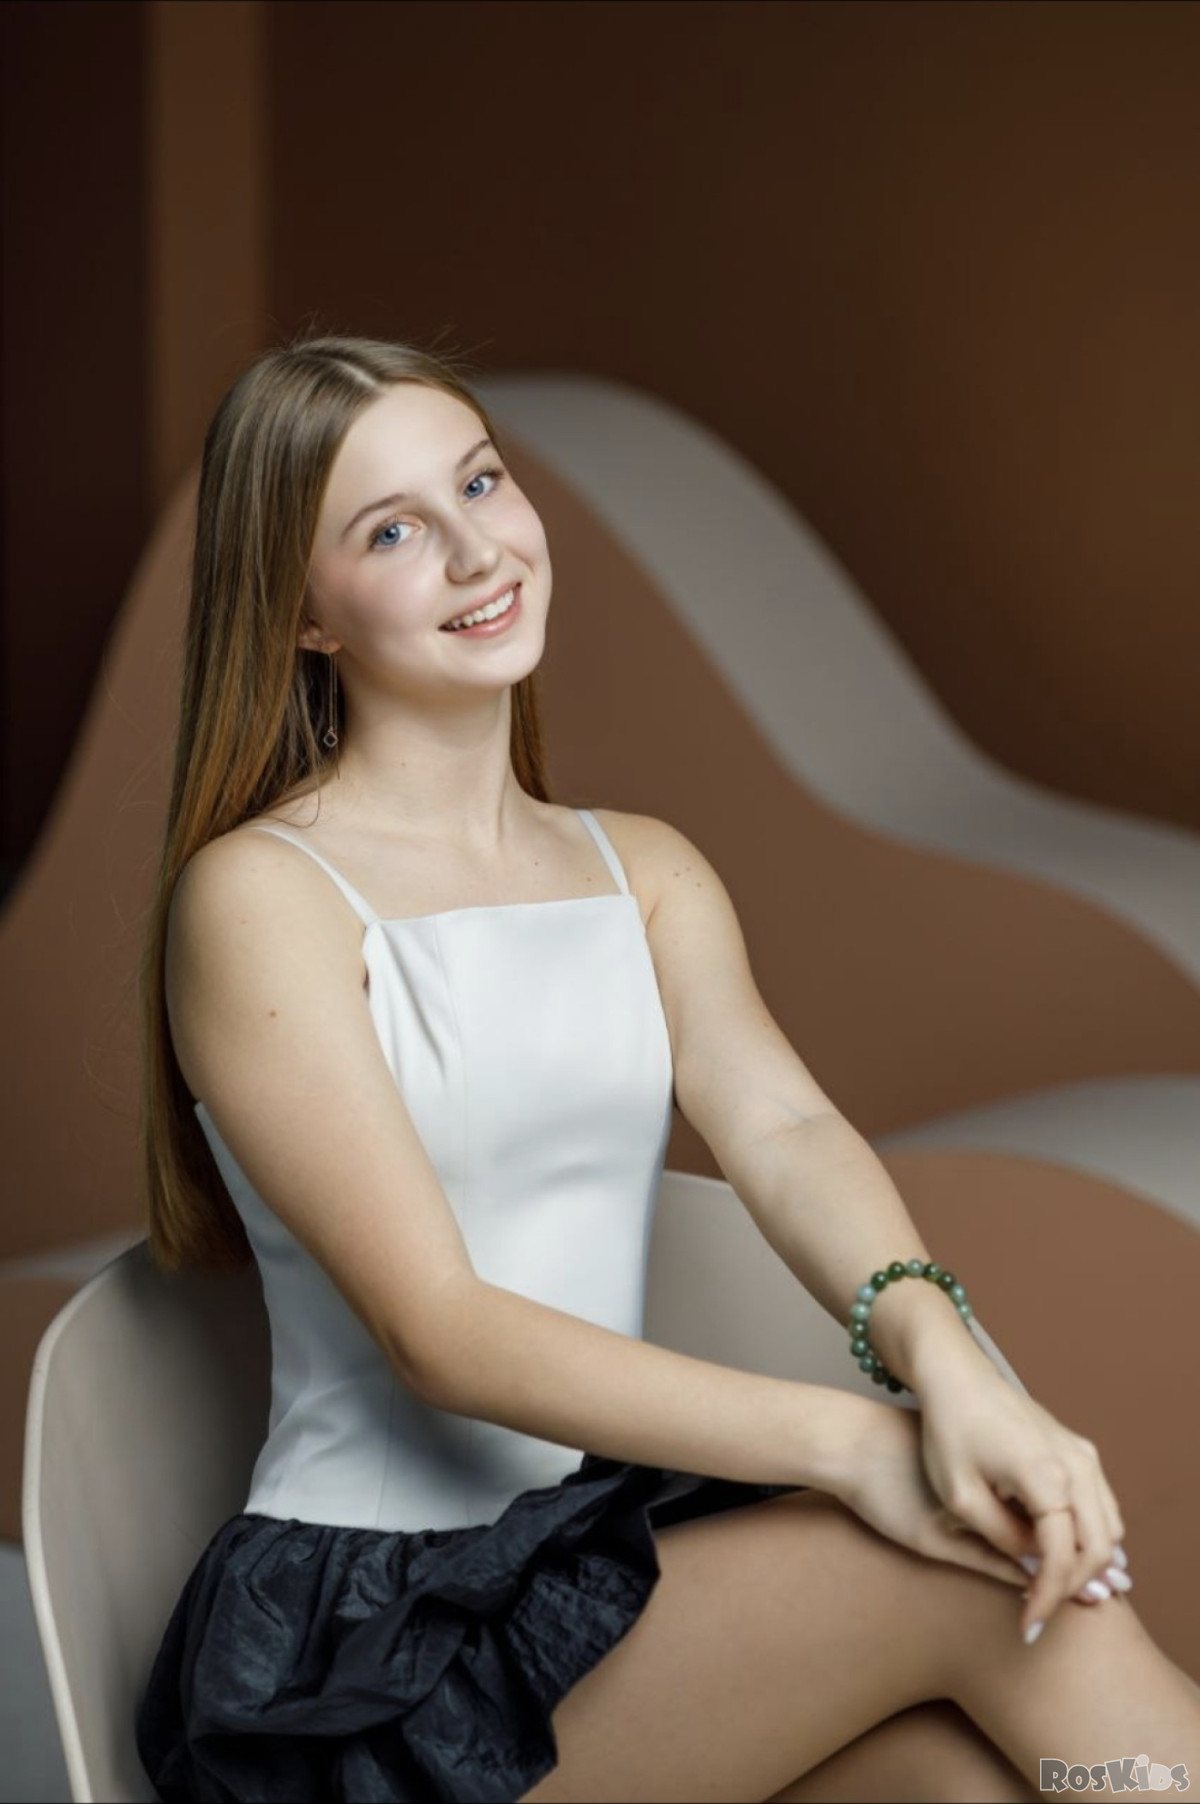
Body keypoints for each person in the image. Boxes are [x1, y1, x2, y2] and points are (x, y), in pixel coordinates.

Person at [133, 333, 1199, 1804]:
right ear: (303, 614)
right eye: (391, 531)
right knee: (986, 1576)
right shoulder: (260, 898)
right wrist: (863, 1446)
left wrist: (948, 1364)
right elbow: (442, 1330)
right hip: (373, 1645)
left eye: (481, 483)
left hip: (574, 1558)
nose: (476, 551)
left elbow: (785, 1127)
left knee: (959, 1782)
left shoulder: (642, 871)